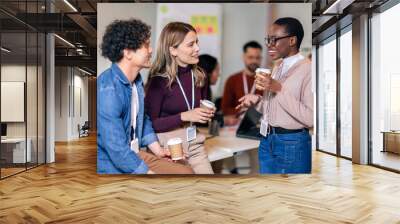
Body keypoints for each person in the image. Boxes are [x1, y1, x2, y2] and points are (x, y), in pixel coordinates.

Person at [97, 19, 193, 174]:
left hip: (134, 153)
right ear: (127, 52)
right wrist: (147, 174)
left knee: (186, 171)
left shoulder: (136, 82)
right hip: (112, 162)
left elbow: (144, 119)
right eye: (146, 45)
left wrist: (159, 151)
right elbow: (116, 150)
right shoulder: (108, 89)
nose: (151, 50)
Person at [237, 17, 313, 174]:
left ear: (292, 40)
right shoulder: (278, 66)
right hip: (267, 140)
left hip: (291, 143)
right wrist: (257, 100)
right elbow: (273, 105)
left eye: (274, 39)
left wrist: (279, 88)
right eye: (268, 39)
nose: (269, 45)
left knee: (289, 195)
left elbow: (310, 118)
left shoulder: (309, 69)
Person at [145, 22, 215, 174]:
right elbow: (150, 124)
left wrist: (204, 114)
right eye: (191, 44)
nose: (197, 48)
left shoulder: (199, 76)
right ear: (173, 50)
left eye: (197, 43)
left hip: (194, 143)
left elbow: (196, 111)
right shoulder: (159, 80)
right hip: (168, 147)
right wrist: (184, 116)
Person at [221, 41, 264, 126]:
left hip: (259, 125)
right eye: (250, 57)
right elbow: (225, 109)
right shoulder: (232, 80)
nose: (254, 61)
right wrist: (242, 111)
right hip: (236, 125)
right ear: (243, 57)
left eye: (258, 58)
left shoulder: (266, 81)